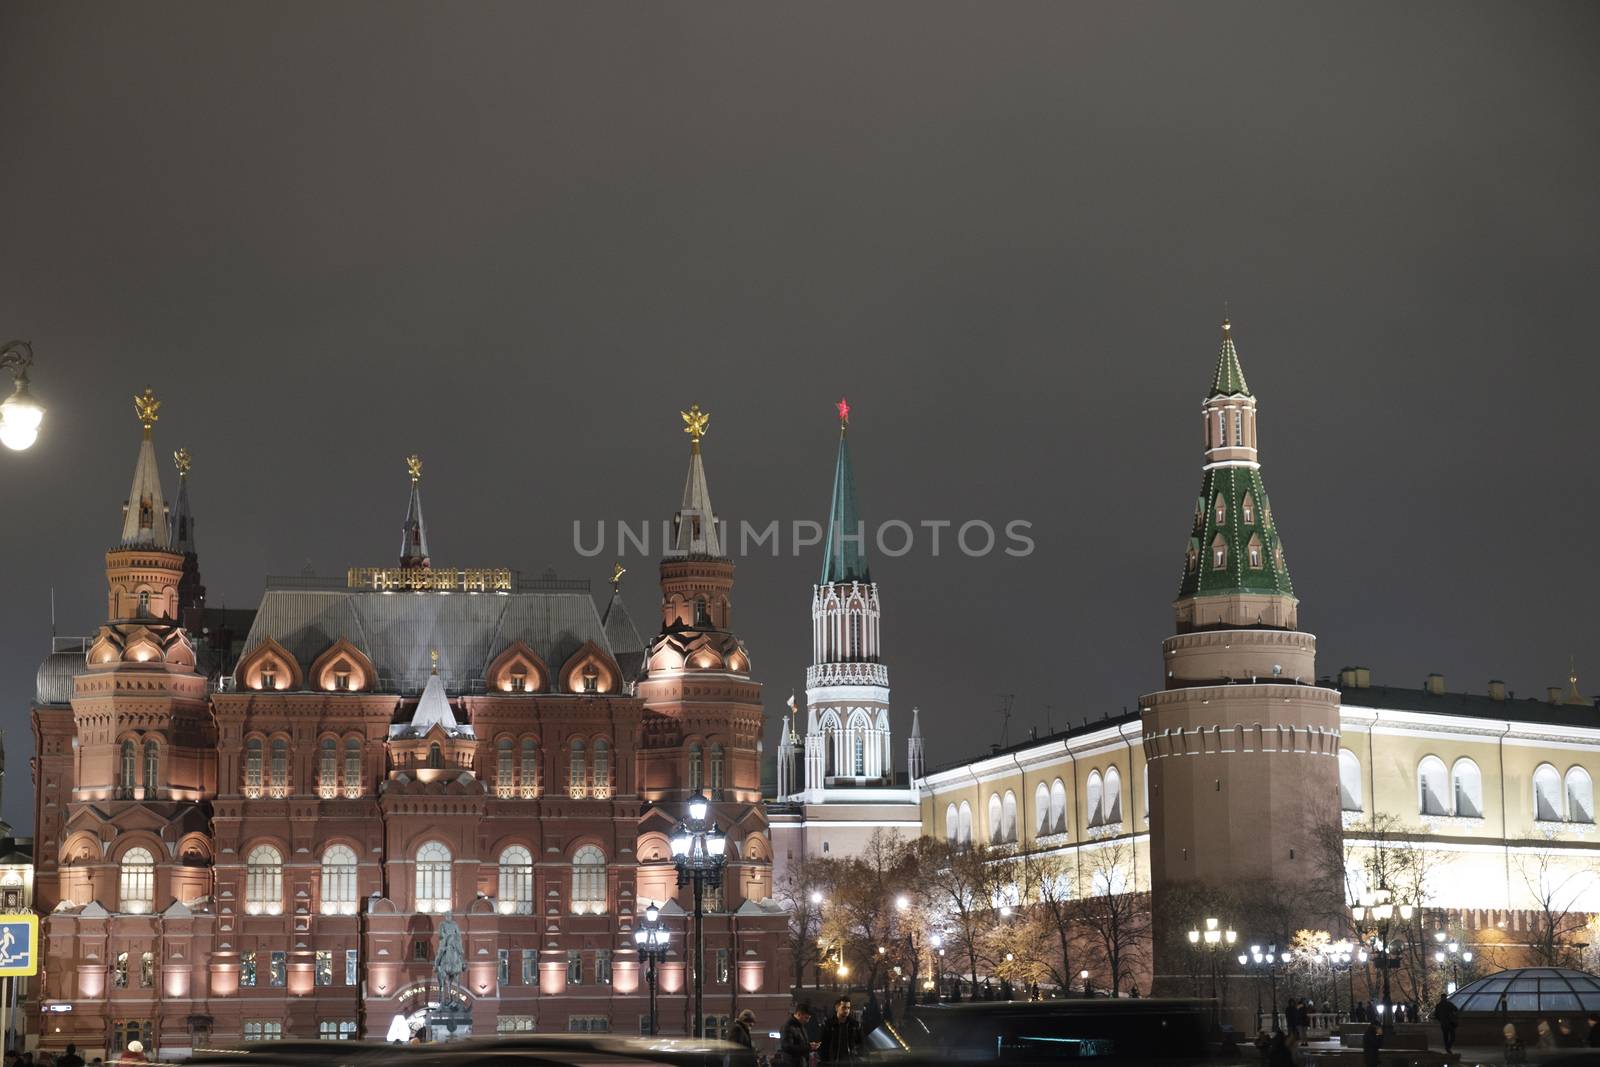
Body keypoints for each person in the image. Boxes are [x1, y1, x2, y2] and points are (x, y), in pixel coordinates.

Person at [819, 996, 864, 1064]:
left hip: (850, 1062)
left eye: (848, 1008)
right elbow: (823, 1045)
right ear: (837, 1008)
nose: (846, 1010)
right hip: (833, 1062)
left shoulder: (854, 1025)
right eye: (844, 1008)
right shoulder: (828, 1024)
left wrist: (857, 1056)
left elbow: (861, 1043)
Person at [776, 1002, 816, 1067]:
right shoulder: (788, 1027)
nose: (807, 1021)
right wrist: (808, 1047)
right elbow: (787, 1047)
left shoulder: (800, 1026)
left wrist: (809, 1046)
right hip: (791, 1063)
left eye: (809, 1018)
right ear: (799, 1014)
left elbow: (801, 1043)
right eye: (806, 1018)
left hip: (800, 1063)